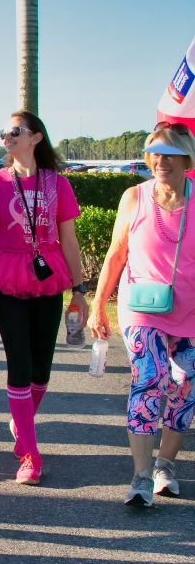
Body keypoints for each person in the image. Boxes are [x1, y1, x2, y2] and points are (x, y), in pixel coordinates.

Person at [0, 112, 86, 485]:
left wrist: (80, 290)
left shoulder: (58, 184)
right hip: (6, 276)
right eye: (3, 131)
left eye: (15, 131)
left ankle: (22, 422)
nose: (7, 136)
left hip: (48, 278)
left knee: (41, 369)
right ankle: (30, 455)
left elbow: (69, 240)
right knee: (19, 363)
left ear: (35, 138)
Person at [89, 123, 195, 507]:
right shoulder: (134, 197)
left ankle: (165, 464)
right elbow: (117, 253)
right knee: (151, 377)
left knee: (185, 384)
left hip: (190, 311)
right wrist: (99, 303)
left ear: (187, 158)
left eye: (169, 152)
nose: (160, 160)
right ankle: (141, 475)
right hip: (141, 308)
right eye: (154, 152)